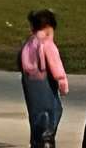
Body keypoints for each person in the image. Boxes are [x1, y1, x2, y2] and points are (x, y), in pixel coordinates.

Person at [18, 8, 69, 145]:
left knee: (36, 116)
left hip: (30, 84)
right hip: (45, 83)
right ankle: (47, 139)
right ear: (48, 28)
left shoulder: (28, 45)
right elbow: (55, 64)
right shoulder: (47, 44)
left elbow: (20, 64)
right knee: (54, 111)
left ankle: (37, 142)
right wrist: (62, 82)